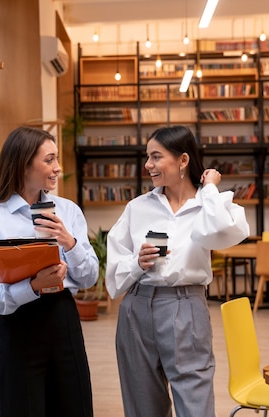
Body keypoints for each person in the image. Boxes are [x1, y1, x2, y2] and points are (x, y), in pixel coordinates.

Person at [106, 125, 250, 417]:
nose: (148, 165)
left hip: (187, 308)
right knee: (143, 405)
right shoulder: (138, 207)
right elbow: (113, 272)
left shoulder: (211, 205)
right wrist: (137, 262)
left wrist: (209, 188)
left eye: (156, 157)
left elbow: (222, 231)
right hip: (137, 307)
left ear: (183, 160)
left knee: (195, 404)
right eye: (148, 157)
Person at [0, 126, 98, 417]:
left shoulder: (68, 212)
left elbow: (89, 277)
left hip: (64, 323)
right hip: (20, 329)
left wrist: (69, 242)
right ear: (24, 164)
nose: (58, 168)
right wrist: (33, 286)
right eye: (49, 160)